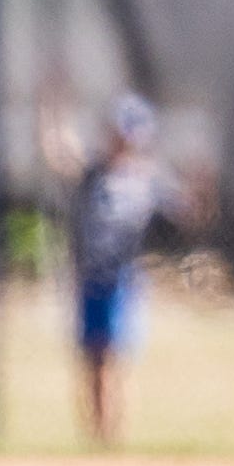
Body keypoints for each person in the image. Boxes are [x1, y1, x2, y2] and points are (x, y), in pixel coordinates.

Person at [63, 96, 176, 447]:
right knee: (93, 361)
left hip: (121, 279)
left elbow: (188, 211)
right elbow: (59, 153)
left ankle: (112, 437)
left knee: (114, 359)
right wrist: (52, 107)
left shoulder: (145, 179)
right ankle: (98, 438)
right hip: (89, 279)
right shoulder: (92, 174)